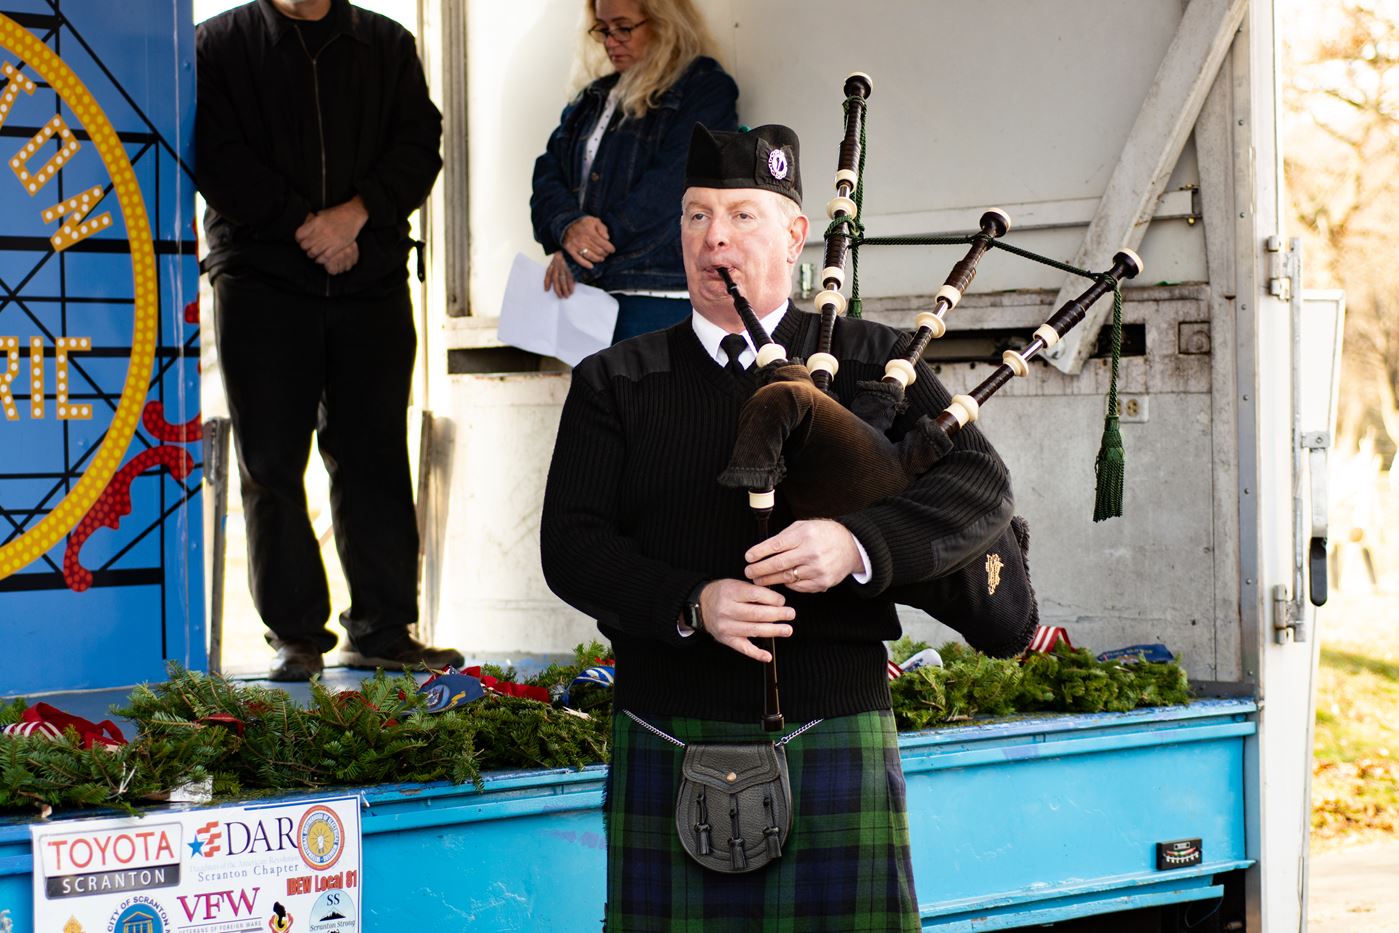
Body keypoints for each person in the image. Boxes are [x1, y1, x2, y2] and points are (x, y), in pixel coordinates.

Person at [540, 123, 1015, 929]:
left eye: (740, 216)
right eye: (694, 216)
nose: (713, 237)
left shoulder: (874, 362)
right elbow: (572, 546)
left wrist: (858, 544)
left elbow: (980, 483)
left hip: (833, 718)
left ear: (796, 234)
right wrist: (690, 600)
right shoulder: (615, 379)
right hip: (667, 720)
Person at [196, 0, 464, 681]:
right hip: (259, 278)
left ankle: (382, 630)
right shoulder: (215, 45)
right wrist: (303, 225)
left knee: (374, 453)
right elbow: (214, 154)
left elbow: (418, 144)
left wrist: (352, 216)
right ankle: (295, 636)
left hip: (368, 274)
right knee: (270, 462)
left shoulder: (388, 43)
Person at [530, 0, 739, 344]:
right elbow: (546, 173)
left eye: (624, 28)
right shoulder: (593, 96)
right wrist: (568, 228)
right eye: (603, 29)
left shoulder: (703, 85)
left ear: (664, 24)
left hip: (657, 297)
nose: (611, 41)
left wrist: (582, 253)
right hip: (589, 297)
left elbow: (671, 187)